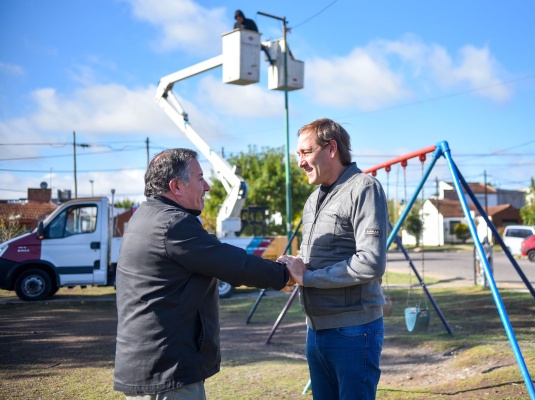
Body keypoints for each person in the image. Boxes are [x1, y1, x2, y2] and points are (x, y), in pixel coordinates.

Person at [114, 148, 293, 399]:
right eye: (199, 178)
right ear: (176, 186)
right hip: (168, 373)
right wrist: (284, 274)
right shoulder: (172, 225)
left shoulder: (145, 217)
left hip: (153, 366)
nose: (207, 186)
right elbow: (231, 263)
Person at [278, 118, 389, 400]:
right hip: (315, 330)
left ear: (331, 149)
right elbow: (313, 257)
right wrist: (292, 267)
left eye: (306, 152)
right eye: (298, 154)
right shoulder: (313, 199)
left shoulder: (363, 188)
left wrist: (308, 277)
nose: (300, 162)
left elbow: (371, 262)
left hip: (353, 331)